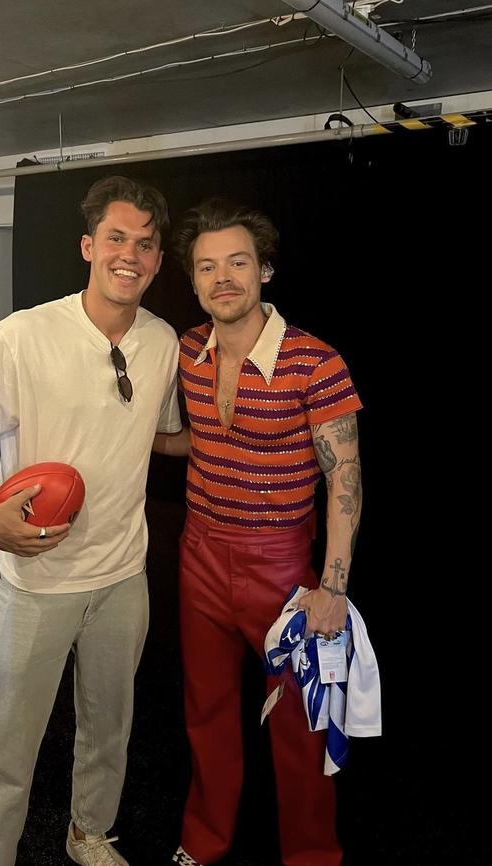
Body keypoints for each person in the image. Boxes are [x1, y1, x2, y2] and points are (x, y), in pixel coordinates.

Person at [0, 175, 183, 866]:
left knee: (110, 729)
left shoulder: (163, 341)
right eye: (116, 238)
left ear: (159, 260)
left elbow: (163, 436)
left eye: (145, 244)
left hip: (122, 576)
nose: (129, 255)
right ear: (88, 245)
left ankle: (87, 833)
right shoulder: (23, 335)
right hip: (37, 579)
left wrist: (246, 429)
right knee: (2, 743)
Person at [169, 198, 363, 866]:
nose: (222, 277)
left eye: (237, 263)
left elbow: (345, 479)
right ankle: (205, 836)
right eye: (206, 267)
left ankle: (311, 854)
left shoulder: (316, 362)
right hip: (198, 556)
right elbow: (192, 441)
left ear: (265, 271)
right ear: (193, 282)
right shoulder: (189, 349)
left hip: (280, 569)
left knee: (301, 725)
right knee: (207, 711)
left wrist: (332, 587)